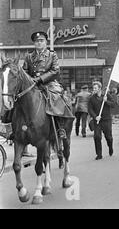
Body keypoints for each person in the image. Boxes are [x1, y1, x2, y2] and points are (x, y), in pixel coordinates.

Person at [23, 31, 74, 165]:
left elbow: (55, 70)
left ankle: (61, 127)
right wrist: (30, 80)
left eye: (41, 41)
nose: (39, 43)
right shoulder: (29, 56)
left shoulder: (52, 55)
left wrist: (39, 79)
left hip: (49, 84)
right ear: (34, 43)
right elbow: (24, 72)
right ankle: (16, 129)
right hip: (32, 85)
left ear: (45, 42)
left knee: (57, 98)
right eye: (37, 41)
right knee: (20, 99)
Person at [88, 81, 115, 160]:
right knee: (97, 136)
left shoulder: (106, 95)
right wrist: (95, 116)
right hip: (98, 120)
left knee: (108, 137)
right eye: (93, 88)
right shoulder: (92, 98)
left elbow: (113, 104)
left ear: (100, 88)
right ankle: (99, 154)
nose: (94, 89)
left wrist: (106, 101)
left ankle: (110, 147)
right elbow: (90, 109)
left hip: (106, 119)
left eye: (95, 88)